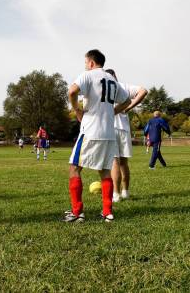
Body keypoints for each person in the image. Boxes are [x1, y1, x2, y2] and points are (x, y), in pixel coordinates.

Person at [63, 49, 130, 223]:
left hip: (90, 131)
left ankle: (77, 212)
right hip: (108, 133)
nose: (85, 65)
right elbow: (128, 101)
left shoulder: (88, 75)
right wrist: (113, 111)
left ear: (91, 63)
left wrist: (76, 109)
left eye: (86, 62)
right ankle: (107, 212)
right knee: (105, 171)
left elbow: (71, 92)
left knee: (74, 168)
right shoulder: (113, 80)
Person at [105, 69, 147, 203]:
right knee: (124, 163)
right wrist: (129, 108)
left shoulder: (103, 89)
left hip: (110, 128)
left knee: (114, 162)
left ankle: (116, 195)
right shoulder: (124, 87)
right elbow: (143, 91)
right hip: (124, 130)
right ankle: (125, 192)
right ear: (115, 76)